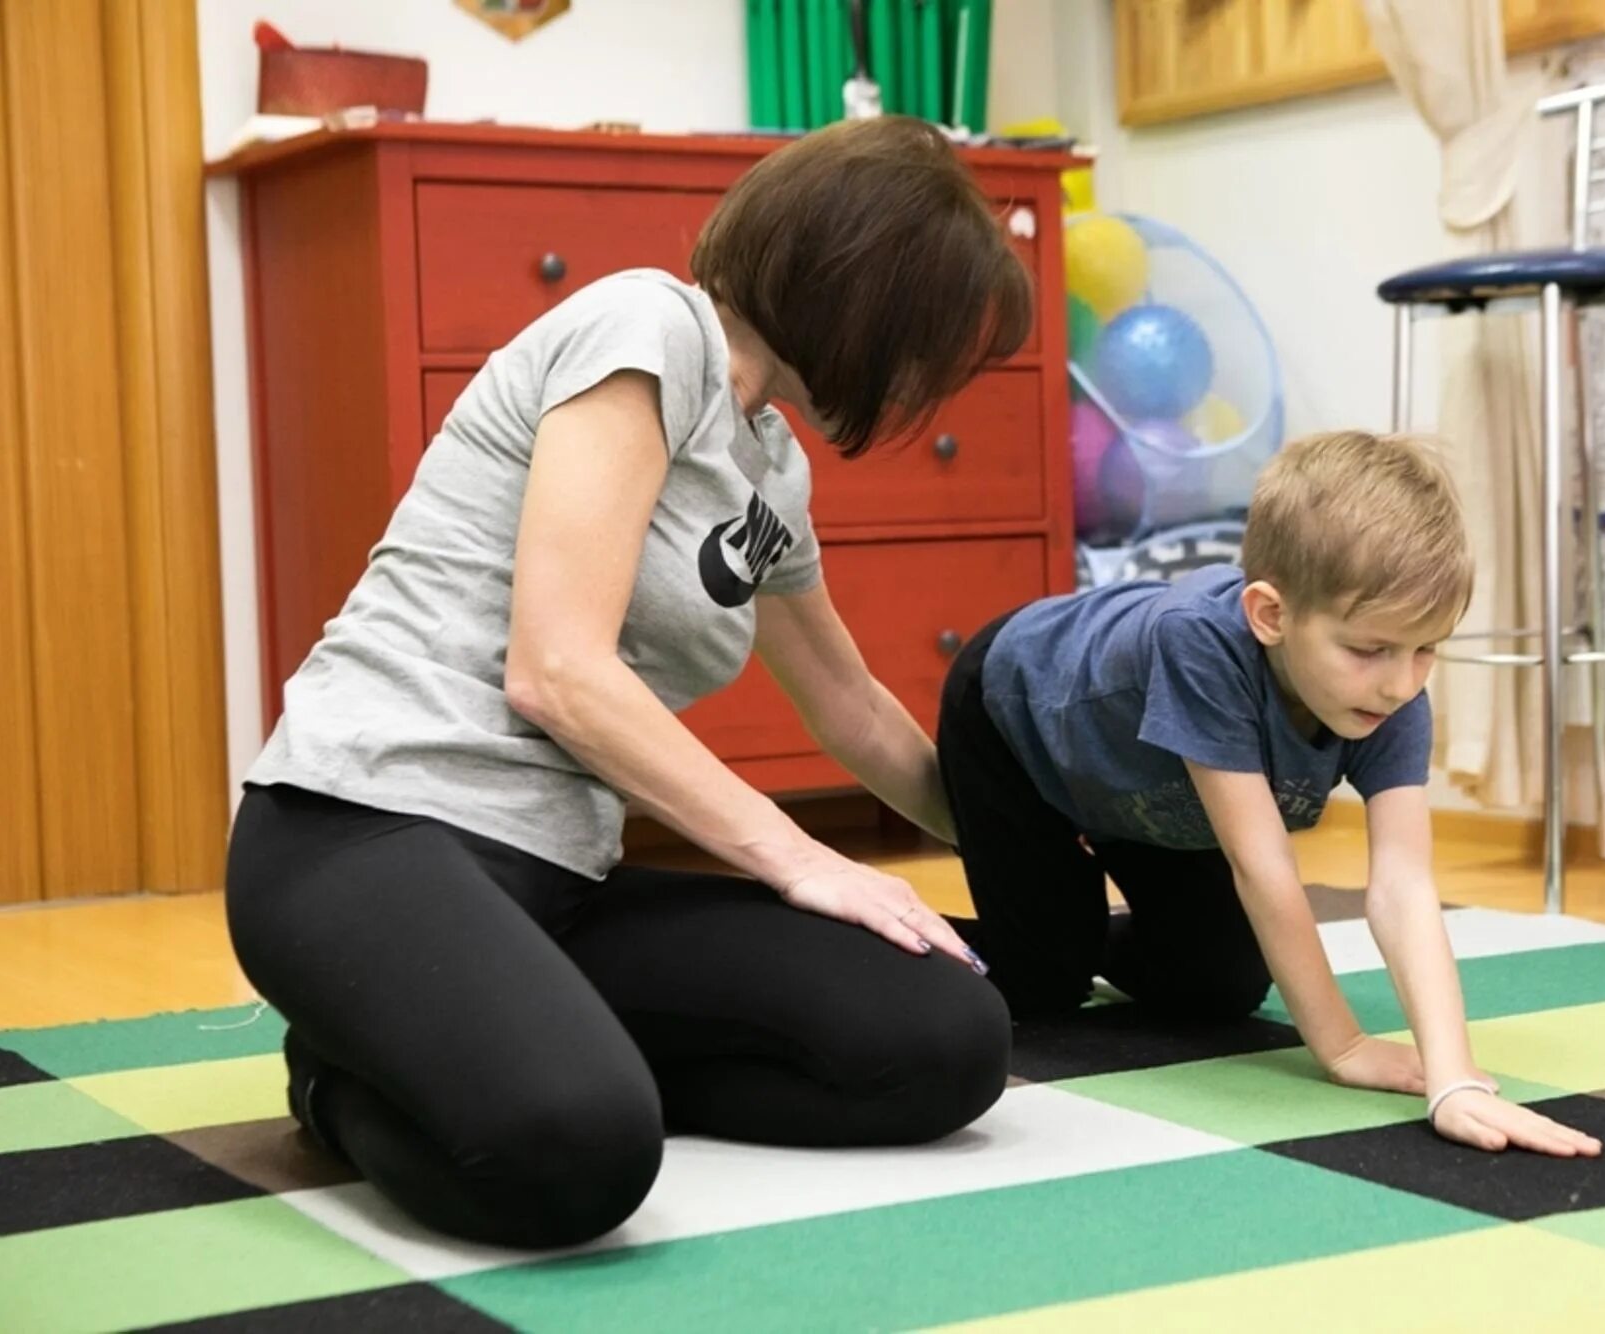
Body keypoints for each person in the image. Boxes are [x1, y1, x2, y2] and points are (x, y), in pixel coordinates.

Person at [225, 117, 1031, 1249]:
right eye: (925, 347)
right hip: (359, 836)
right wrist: (801, 856)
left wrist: (1024, 844)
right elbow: (556, 669)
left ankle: (526, 1055)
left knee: (945, 1040)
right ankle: (341, 1076)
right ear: (862, 296)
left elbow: (846, 704)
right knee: (575, 1157)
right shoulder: (646, 325)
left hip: (562, 882)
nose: (920, 387)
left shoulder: (770, 465)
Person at [937, 430, 1604, 1157]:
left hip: (1159, 802)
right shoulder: (1200, 644)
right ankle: (928, 929)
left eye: (1426, 648)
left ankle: (1071, 922)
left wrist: (1453, 1077)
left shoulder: (1392, 693)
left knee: (1218, 988)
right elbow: (1264, 868)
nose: (1401, 681)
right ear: (1271, 615)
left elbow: (1405, 883)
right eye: (1369, 649)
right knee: (1037, 985)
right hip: (1017, 722)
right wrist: (1343, 1047)